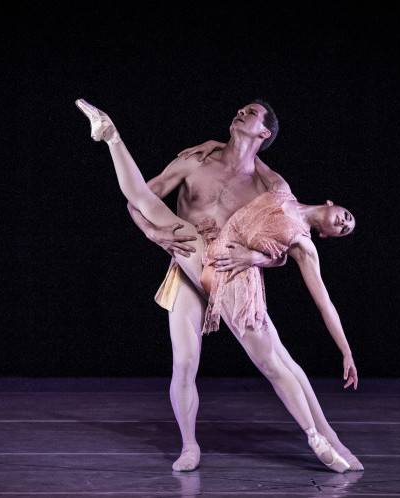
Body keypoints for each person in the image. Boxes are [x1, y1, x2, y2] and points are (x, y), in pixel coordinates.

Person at [75, 98, 361, 473]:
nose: (242, 112)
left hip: (232, 273)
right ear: (331, 203)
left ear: (263, 133)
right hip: (189, 256)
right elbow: (143, 199)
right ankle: (189, 445)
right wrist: (153, 233)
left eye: (252, 113)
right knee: (185, 362)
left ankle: (324, 437)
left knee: (277, 362)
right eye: (242, 109)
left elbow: (283, 256)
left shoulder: (272, 190)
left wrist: (345, 350)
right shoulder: (203, 162)